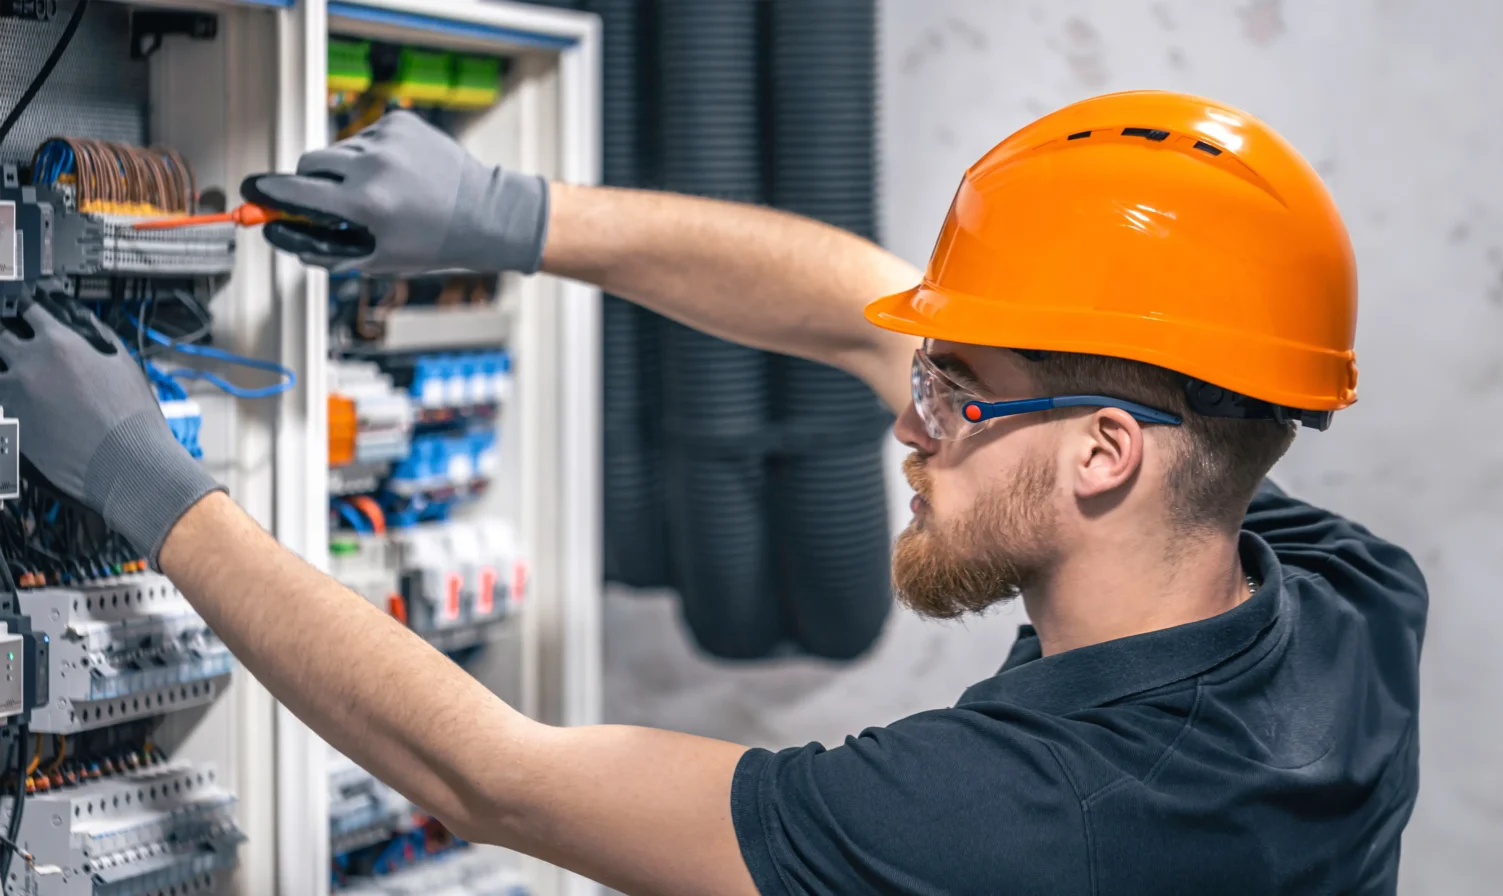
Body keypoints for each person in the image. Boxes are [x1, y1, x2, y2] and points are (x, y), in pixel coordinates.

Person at [0, 91, 1425, 894]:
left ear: (1107, 453)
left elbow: (490, 777)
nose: (910, 428)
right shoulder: (1347, 607)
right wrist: (508, 216)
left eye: (954, 396)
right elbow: (863, 309)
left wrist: (145, 479)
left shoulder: (1024, 821)